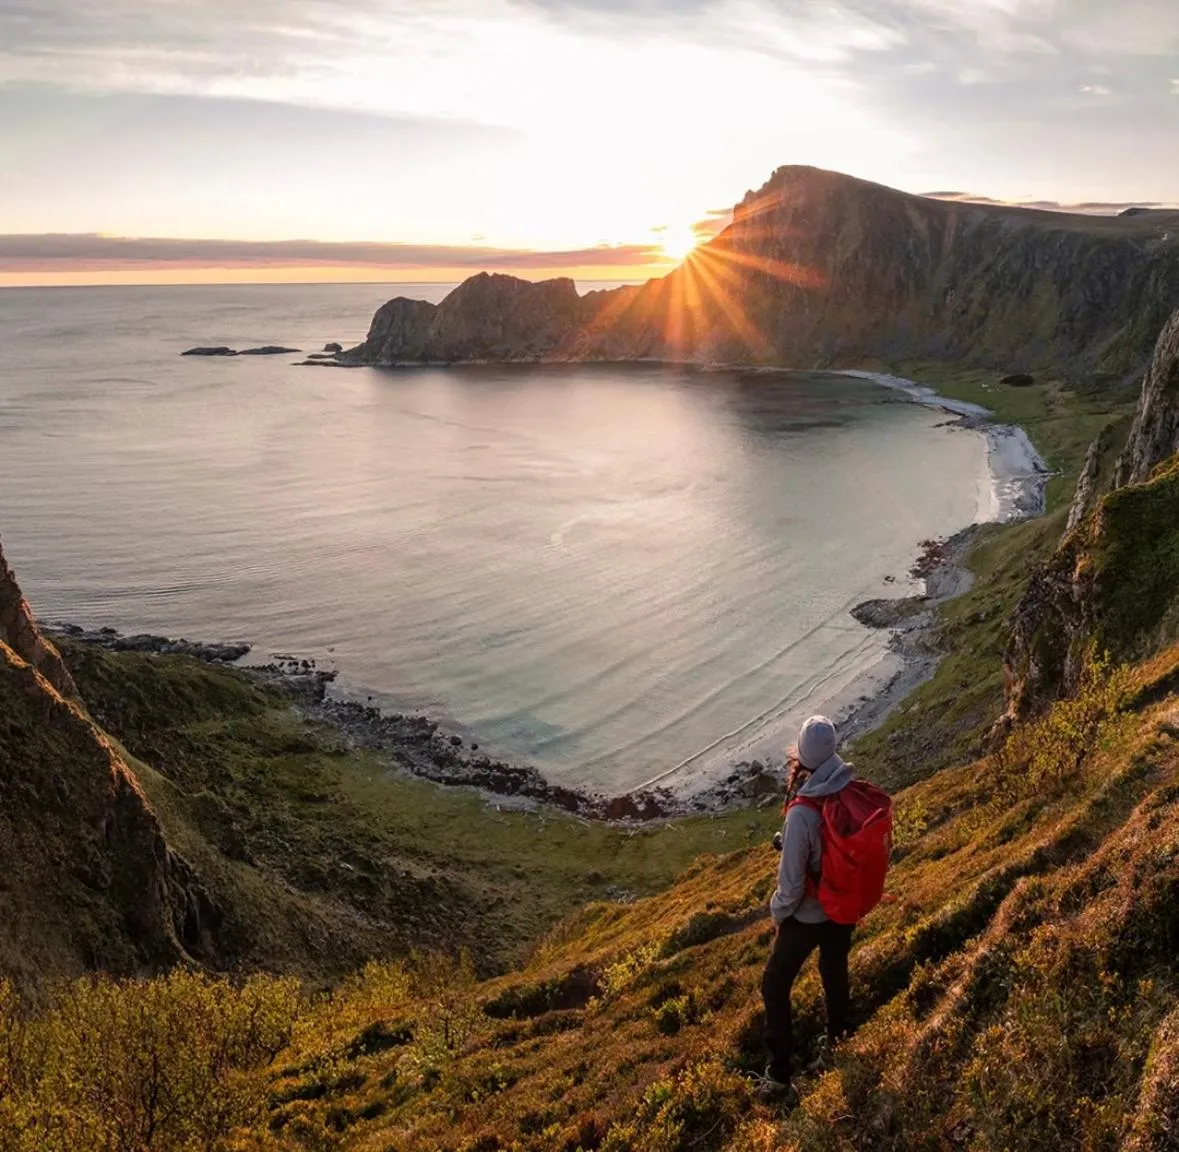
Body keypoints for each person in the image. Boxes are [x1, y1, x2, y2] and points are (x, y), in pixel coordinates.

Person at [761, 714, 855, 1088]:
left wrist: (777, 913)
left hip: (810, 915)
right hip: (843, 904)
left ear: (801, 755)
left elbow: (791, 885)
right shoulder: (849, 787)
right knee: (834, 967)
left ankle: (780, 1072)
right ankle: (839, 1039)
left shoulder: (801, 813)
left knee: (774, 984)